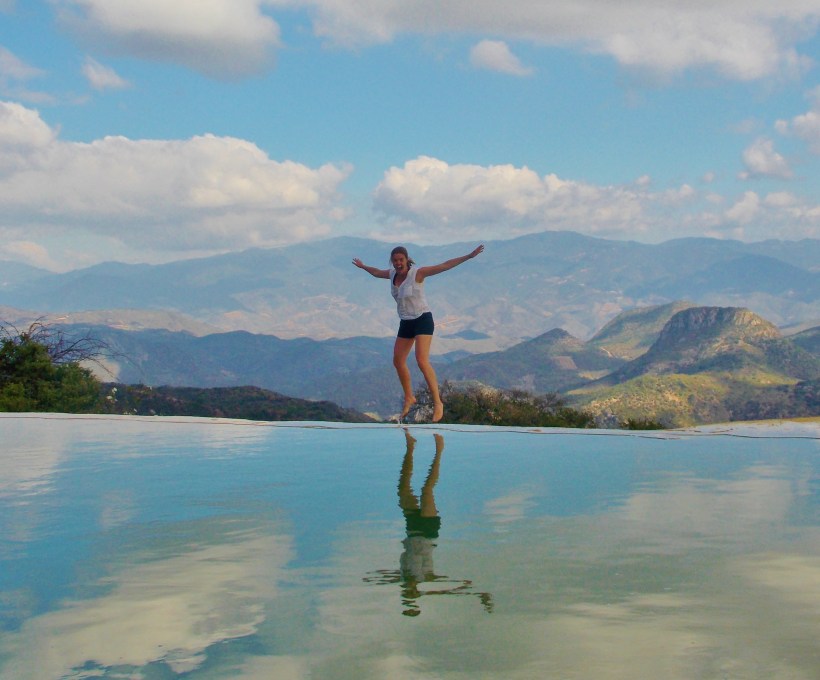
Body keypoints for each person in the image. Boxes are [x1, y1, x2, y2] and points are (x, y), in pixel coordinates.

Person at [352, 244, 484, 422]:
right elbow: (376, 272)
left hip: (422, 319)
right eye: (395, 260)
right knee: (398, 361)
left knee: (421, 360)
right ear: (392, 262)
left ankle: (438, 402)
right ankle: (409, 397)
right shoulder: (391, 275)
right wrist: (363, 266)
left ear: (406, 259)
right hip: (406, 322)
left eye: (401, 260)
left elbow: (444, 265)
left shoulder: (418, 273)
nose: (398, 263)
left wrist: (468, 256)